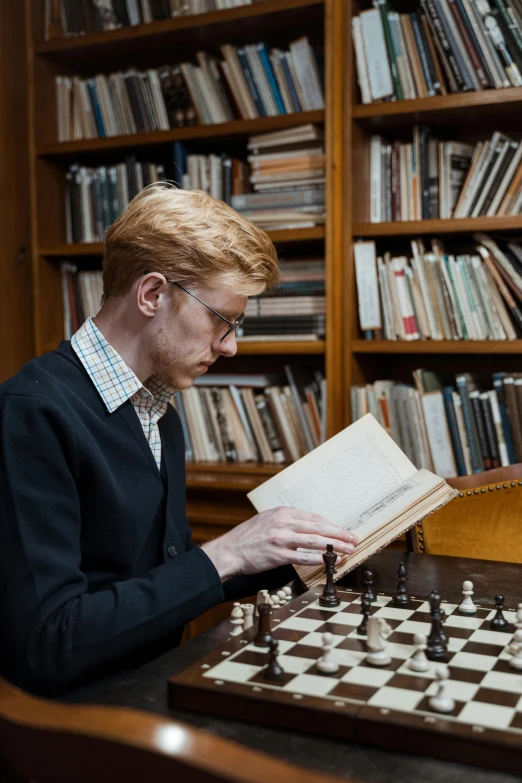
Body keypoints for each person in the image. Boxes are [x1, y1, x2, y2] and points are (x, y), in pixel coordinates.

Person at [0, 184, 358, 698]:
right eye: (221, 319)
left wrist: (279, 550)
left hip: (154, 684)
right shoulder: (31, 414)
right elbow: (50, 642)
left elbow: (161, 571)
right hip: (77, 718)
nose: (231, 346)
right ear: (151, 294)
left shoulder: (157, 406)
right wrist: (230, 553)